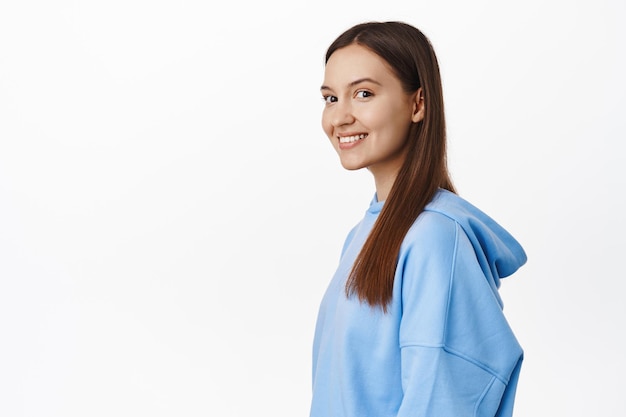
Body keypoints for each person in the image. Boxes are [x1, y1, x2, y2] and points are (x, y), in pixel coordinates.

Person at [310, 21, 527, 417]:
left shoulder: (435, 238)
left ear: (418, 104)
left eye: (363, 94)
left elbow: (444, 398)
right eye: (330, 98)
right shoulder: (363, 234)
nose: (340, 117)